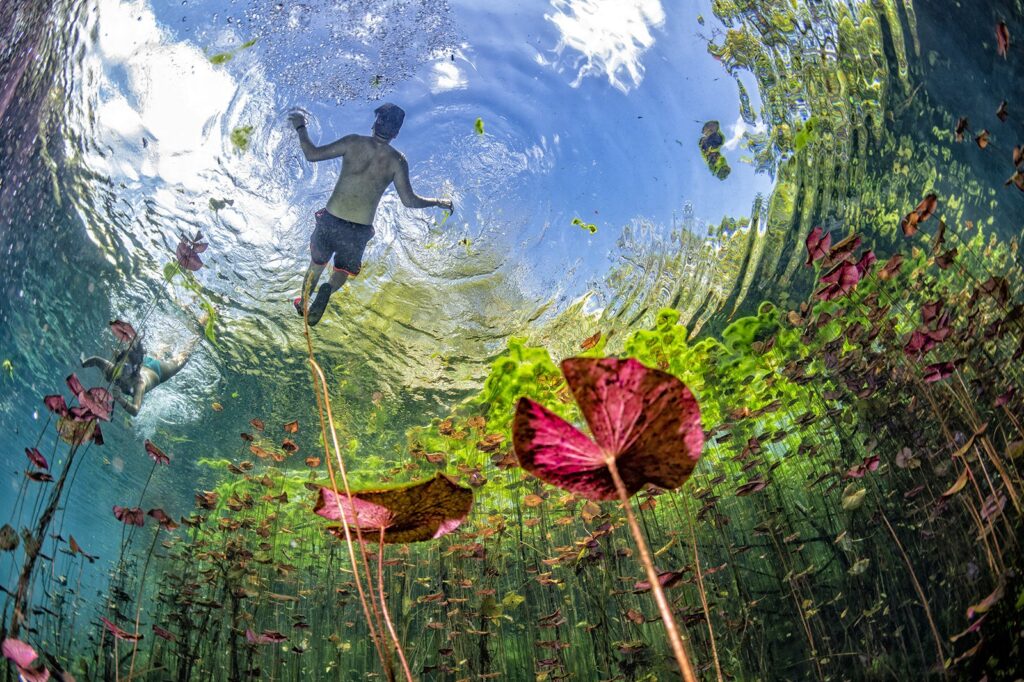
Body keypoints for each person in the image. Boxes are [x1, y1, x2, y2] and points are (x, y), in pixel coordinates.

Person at [288, 103, 453, 326]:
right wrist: (438, 201)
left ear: (375, 122)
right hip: (358, 230)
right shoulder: (398, 161)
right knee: (341, 272)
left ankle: (303, 303)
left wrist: (300, 127)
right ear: (396, 133)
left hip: (331, 220)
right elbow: (409, 201)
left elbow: (312, 154)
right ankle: (329, 288)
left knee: (316, 265)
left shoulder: (353, 142)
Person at [81, 311, 208, 416]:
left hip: (158, 370)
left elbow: (136, 410)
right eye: (121, 365)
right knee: (168, 350)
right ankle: (197, 323)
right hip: (146, 364)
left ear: (134, 369)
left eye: (127, 367)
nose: (123, 369)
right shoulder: (113, 371)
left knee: (183, 356)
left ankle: (202, 322)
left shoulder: (139, 384)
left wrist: (120, 399)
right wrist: (83, 363)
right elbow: (96, 360)